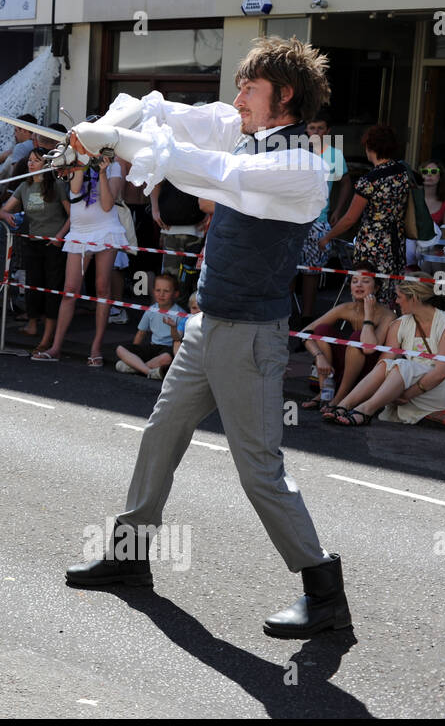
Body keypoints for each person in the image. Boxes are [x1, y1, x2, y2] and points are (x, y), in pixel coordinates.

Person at [63, 36, 350, 640]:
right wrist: (108, 124)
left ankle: (323, 589)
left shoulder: (299, 165)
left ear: (286, 97)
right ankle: (130, 555)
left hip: (250, 336)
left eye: (250, 89)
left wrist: (113, 143)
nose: (238, 97)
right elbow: (162, 111)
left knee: (259, 471)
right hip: (208, 325)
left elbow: (215, 171)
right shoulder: (242, 129)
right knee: (161, 434)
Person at [30, 153, 127, 365]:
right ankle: (56, 347)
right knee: (70, 289)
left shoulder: (115, 167)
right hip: (79, 231)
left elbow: (108, 204)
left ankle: (96, 348)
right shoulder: (77, 163)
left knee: (102, 288)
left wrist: (101, 172)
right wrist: (82, 164)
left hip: (106, 229)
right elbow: (75, 190)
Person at [330, 279, 445, 425]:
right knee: (386, 364)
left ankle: (365, 410)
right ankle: (343, 405)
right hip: (411, 382)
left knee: (402, 364)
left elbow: (440, 373)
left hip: (440, 389)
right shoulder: (400, 323)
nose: (396, 302)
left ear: (415, 298)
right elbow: (385, 363)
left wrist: (407, 395)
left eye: (399, 297)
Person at [317, 124, 410, 307]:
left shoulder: (369, 181)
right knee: (391, 293)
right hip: (396, 240)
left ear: (370, 147)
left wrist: (327, 238)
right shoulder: (402, 173)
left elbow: (350, 219)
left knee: (367, 294)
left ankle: (366, 330)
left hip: (372, 243)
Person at [0, 147, 68, 353]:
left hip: (53, 245)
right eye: (29, 160)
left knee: (52, 289)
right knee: (33, 286)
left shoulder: (58, 185)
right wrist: (6, 216)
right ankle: (32, 324)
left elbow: (73, 215)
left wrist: (60, 236)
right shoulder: (24, 186)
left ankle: (47, 336)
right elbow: (4, 209)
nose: (30, 164)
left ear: (46, 164)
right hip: (33, 242)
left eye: (36, 161)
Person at [299, 271, 394, 418]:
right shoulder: (346, 308)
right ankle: (324, 394)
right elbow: (305, 332)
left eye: (365, 281)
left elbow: (368, 350)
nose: (359, 285)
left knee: (357, 337)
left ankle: (339, 399)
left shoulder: (386, 315)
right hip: (344, 368)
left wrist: (368, 316)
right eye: (355, 281)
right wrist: (319, 356)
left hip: (368, 374)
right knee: (322, 330)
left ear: (376, 288)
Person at [294, 111, 346, 320]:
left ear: (328, 131)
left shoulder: (335, 154)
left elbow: (346, 182)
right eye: (312, 127)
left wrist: (338, 210)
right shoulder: (295, 151)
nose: (315, 132)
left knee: (311, 273)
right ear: (306, 129)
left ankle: (306, 318)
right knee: (287, 270)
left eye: (320, 128)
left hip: (319, 220)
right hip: (292, 219)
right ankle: (283, 317)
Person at [114, 273, 185, 380]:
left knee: (167, 358)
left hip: (168, 349)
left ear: (175, 294)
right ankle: (148, 371)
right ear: (153, 291)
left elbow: (179, 339)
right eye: (158, 290)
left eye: (166, 291)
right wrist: (134, 351)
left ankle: (135, 367)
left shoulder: (180, 314)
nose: (161, 294)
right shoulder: (151, 310)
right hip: (152, 346)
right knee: (120, 349)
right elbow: (141, 333)